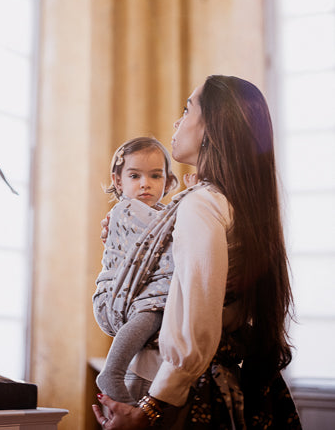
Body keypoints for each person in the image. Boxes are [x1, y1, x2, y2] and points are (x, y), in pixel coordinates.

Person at [92, 75, 302, 429]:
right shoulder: (233, 202)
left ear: (212, 129)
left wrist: (150, 410)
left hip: (182, 393)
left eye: (188, 109)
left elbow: (195, 316)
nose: (177, 121)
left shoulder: (201, 205)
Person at [93, 136, 183, 403]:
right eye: (135, 176)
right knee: (151, 313)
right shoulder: (125, 211)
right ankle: (112, 371)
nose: (145, 183)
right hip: (119, 291)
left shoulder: (162, 214)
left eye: (155, 176)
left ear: (167, 182)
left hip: (144, 289)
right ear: (118, 181)